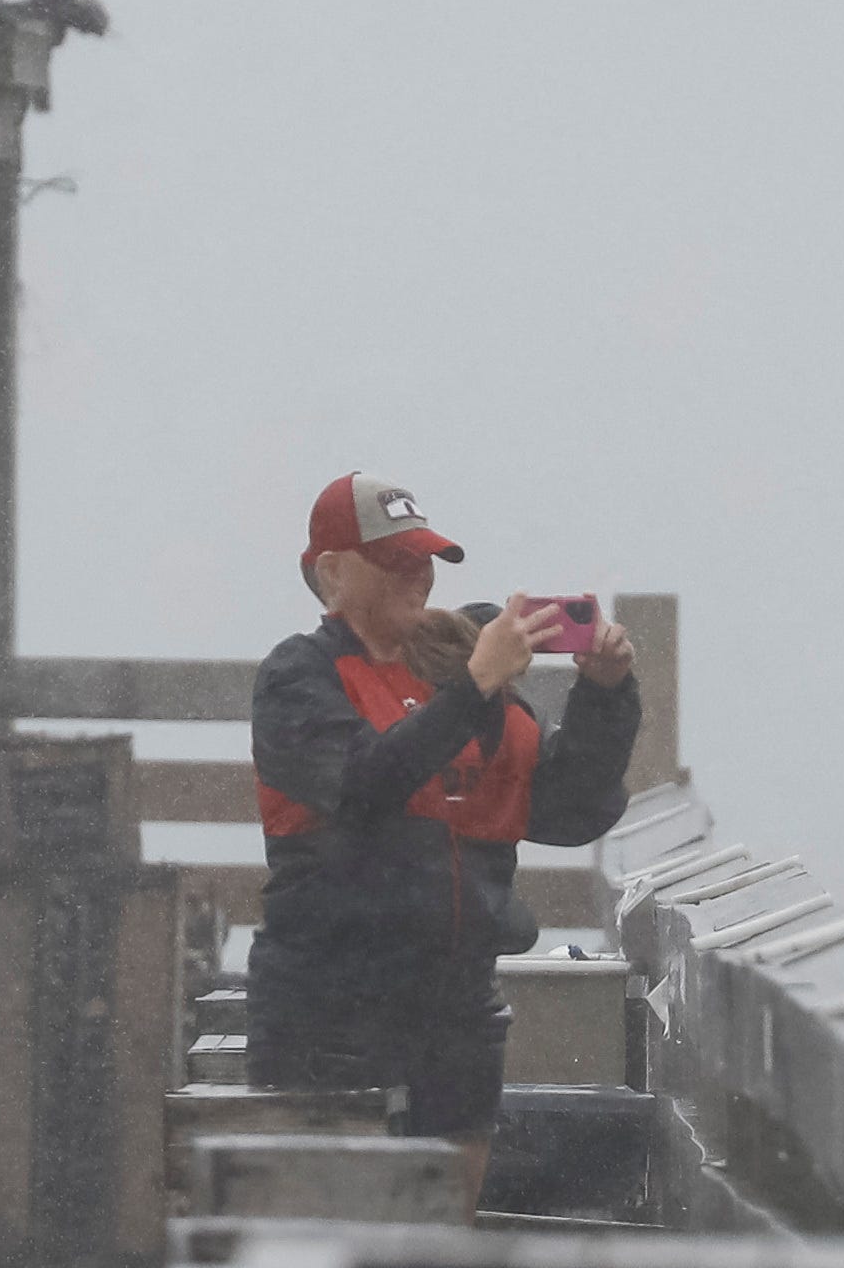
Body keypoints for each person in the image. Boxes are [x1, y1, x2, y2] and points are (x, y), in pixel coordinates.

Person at [245, 471, 643, 1204]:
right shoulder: (298, 676)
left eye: (425, 557)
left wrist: (605, 696)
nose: (418, 574)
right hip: (329, 1000)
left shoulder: (456, 660)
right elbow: (362, 788)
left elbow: (569, 809)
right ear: (332, 571)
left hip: (454, 1005)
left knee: (439, 1245)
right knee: (329, 1240)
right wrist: (472, 690)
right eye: (395, 559)